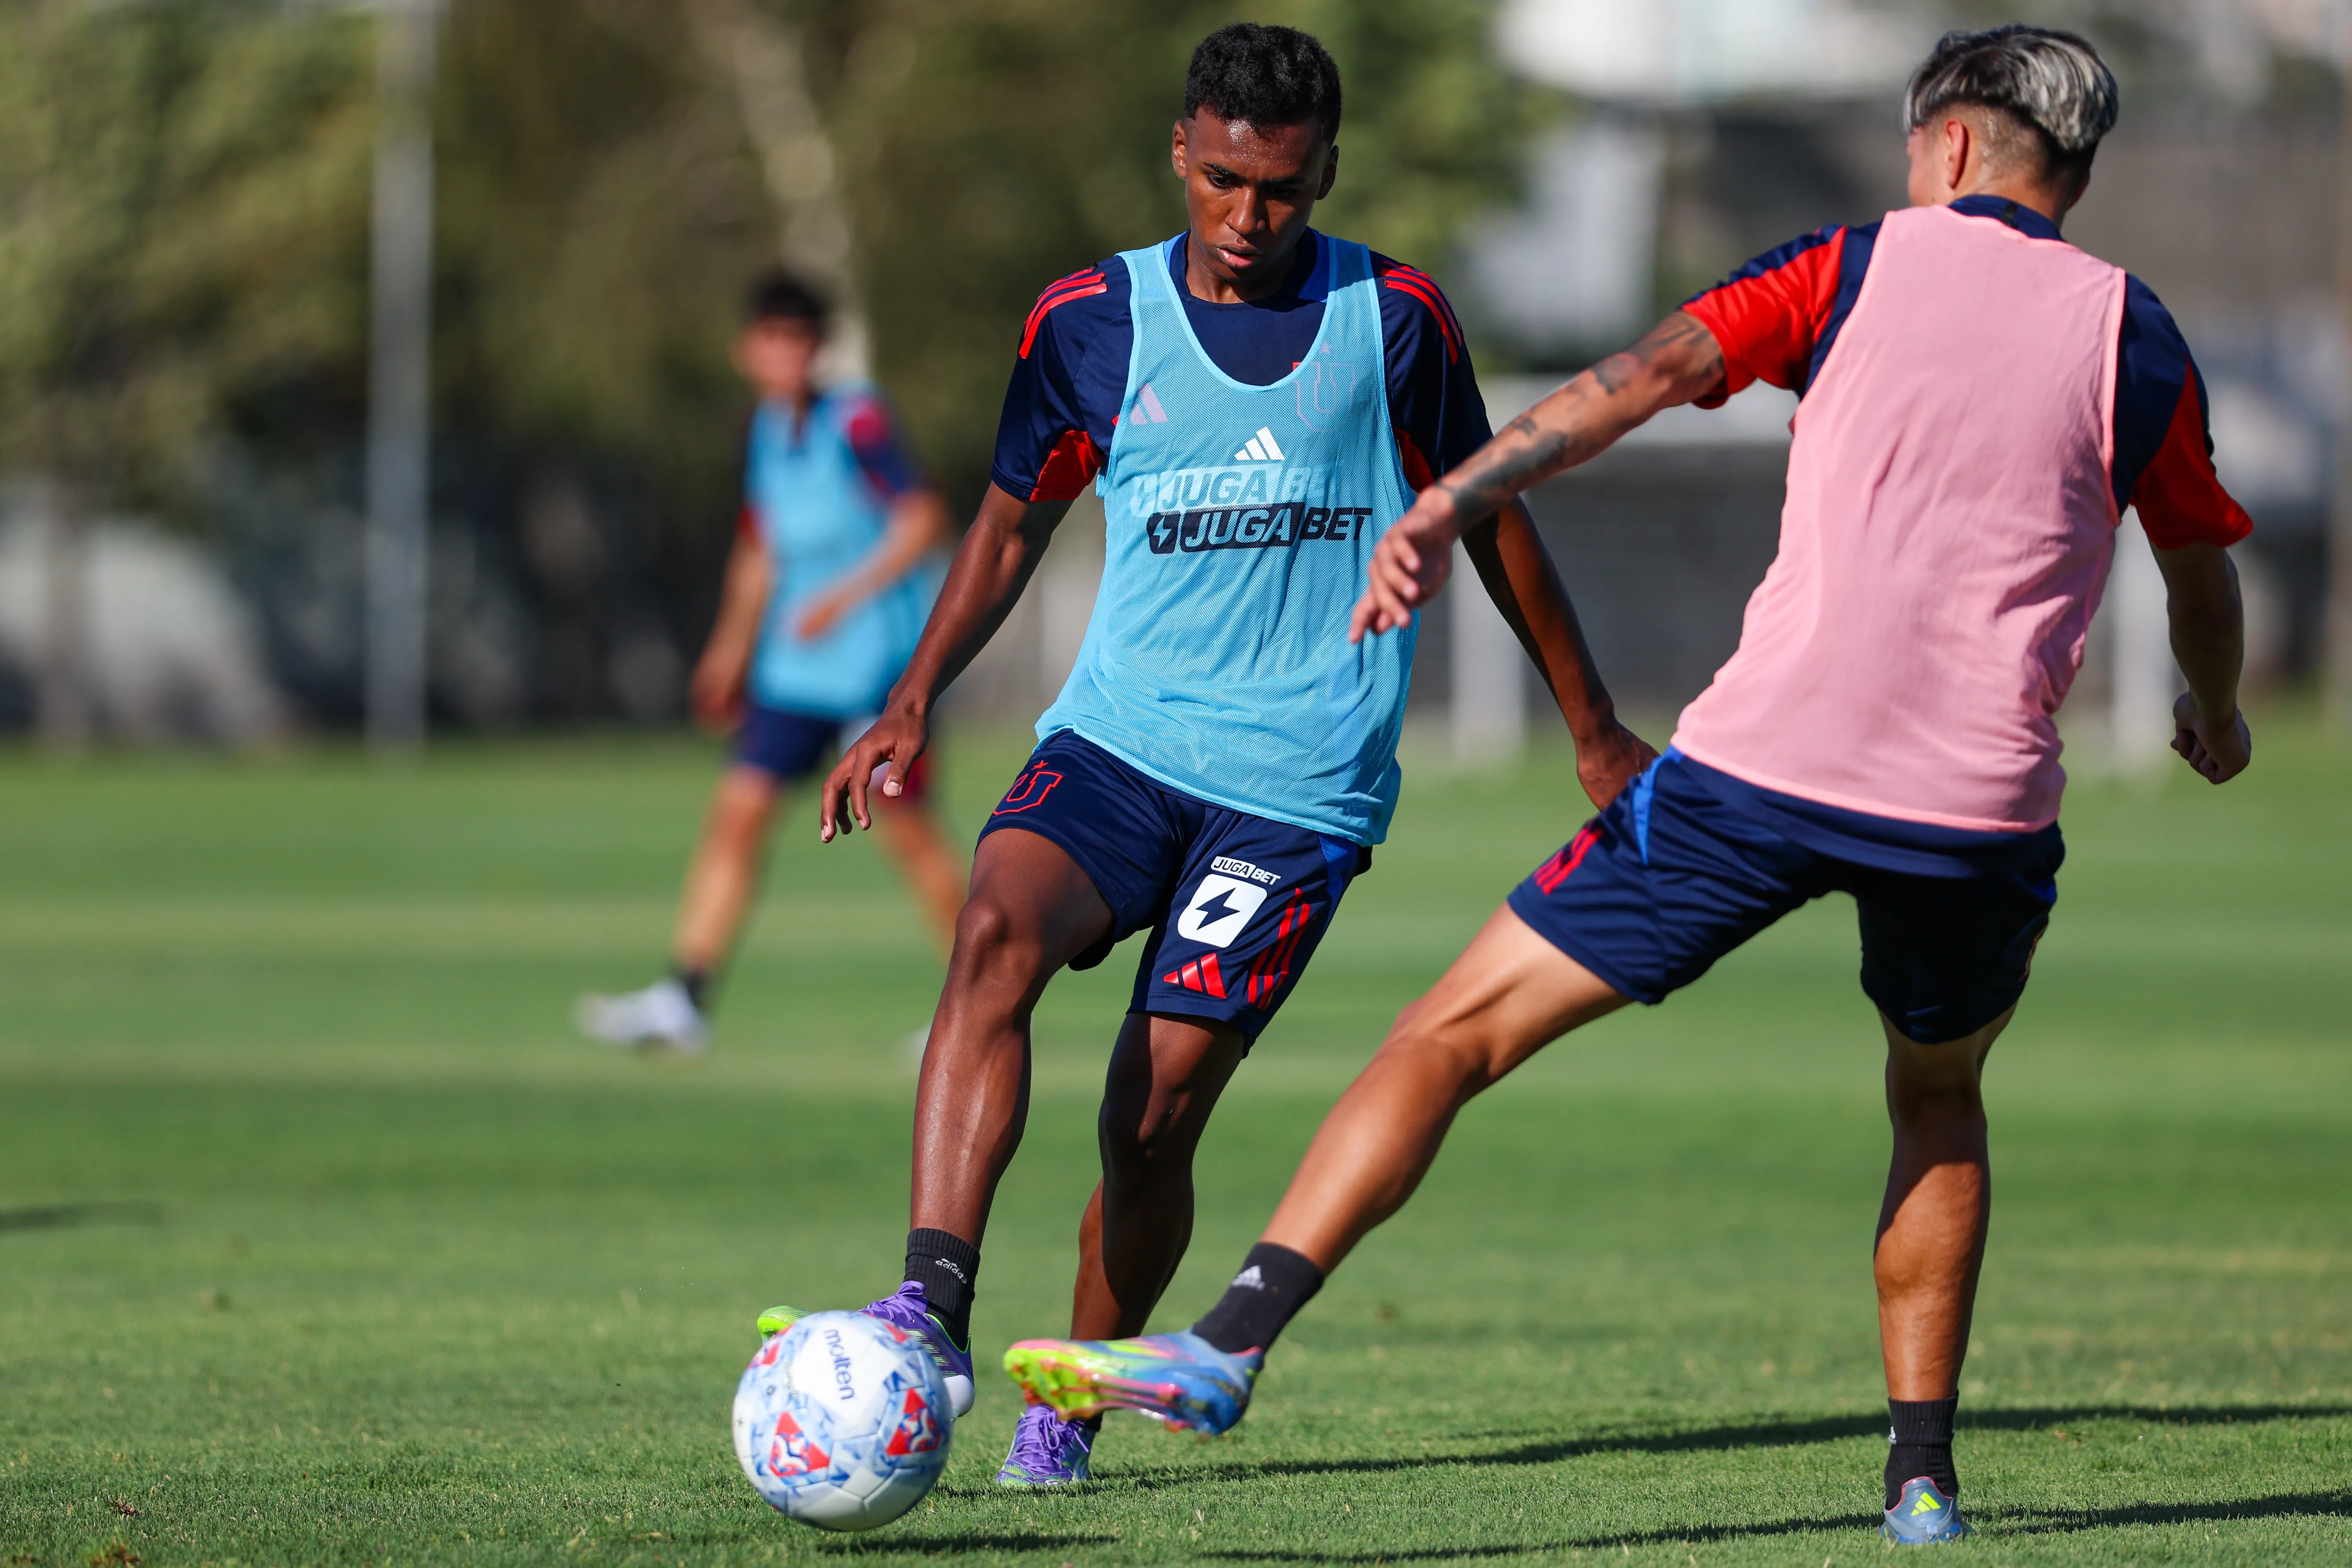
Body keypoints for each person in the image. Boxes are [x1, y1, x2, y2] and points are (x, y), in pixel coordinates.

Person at [1001, 24, 2255, 1545]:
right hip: (1980, 810)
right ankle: (1920, 1481)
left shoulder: (1853, 266)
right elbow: (2199, 569)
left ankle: (1231, 1338)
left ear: (1951, 144)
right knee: (1937, 1093)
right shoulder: (2140, 333)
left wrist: (1453, 495)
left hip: (1763, 773)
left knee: (1449, 1034)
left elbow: (1637, 378)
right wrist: (2219, 705)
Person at [780, 23, 1652, 1489]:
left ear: (1326, 173)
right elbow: (1008, 523)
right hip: (1117, 743)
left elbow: (1494, 515)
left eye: (1288, 191)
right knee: (992, 925)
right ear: (1183, 154)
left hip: (1297, 785)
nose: (1253, 219)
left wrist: (1592, 727)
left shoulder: (1396, 321)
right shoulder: (1087, 323)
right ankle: (926, 1309)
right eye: (1229, 183)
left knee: (1153, 1105)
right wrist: (915, 693)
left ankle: (1069, 1399)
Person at [577, 270, 964, 1055]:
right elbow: (759, 549)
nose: (788, 354)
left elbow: (924, 520)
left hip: (875, 675)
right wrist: (728, 650)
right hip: (795, 675)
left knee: (909, 836)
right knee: (737, 815)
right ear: (748, 349)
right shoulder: (764, 430)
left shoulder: (857, 422)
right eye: (774, 340)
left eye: (801, 339)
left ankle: (977, 1010)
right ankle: (683, 996)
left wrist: (844, 597)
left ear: (817, 348)